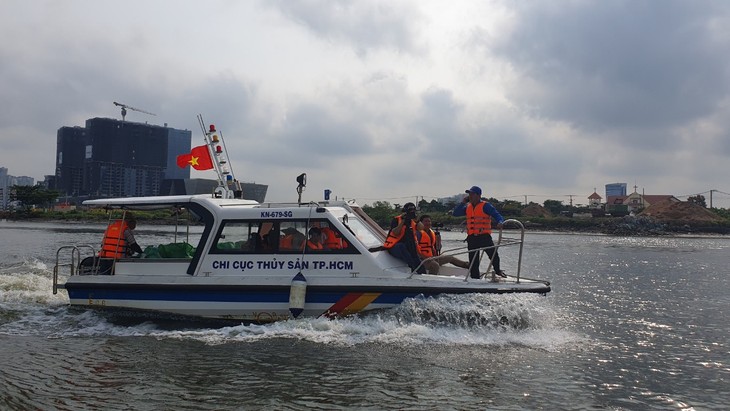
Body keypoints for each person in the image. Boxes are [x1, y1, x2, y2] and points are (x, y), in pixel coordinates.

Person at [452, 186, 506, 279]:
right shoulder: (467, 207)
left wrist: (500, 222)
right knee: (473, 260)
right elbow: (455, 213)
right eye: (469, 194)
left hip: (484, 236)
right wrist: (463, 202)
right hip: (472, 237)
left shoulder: (486, 205)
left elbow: (497, 215)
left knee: (493, 255)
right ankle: (474, 278)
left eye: (472, 194)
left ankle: (498, 271)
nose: (470, 196)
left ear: (478, 195)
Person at [383, 202, 424, 273]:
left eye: (413, 212)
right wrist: (403, 221)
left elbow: (421, 228)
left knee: (415, 257)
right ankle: (412, 267)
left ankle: (421, 273)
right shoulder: (396, 220)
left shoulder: (413, 221)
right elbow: (395, 232)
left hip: (409, 246)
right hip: (395, 246)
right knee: (401, 247)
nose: (410, 214)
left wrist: (417, 219)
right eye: (409, 212)